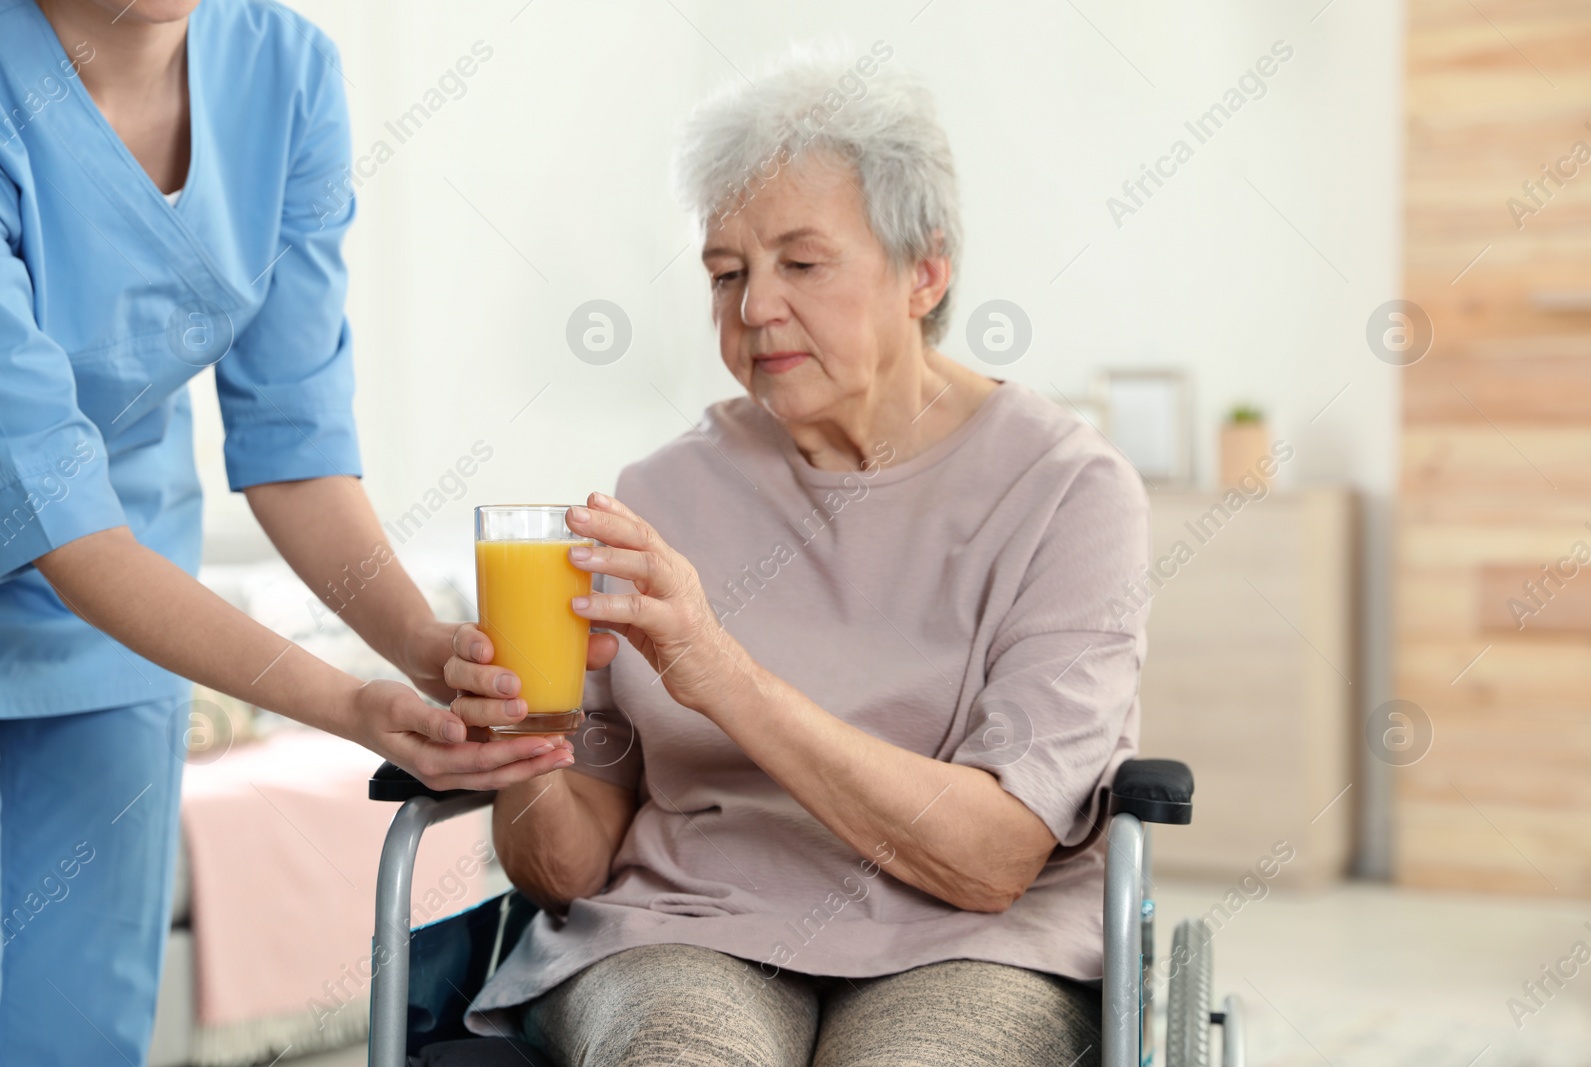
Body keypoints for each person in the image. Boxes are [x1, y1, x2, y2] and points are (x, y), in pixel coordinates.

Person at [450, 46, 1151, 1066]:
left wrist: (718, 672)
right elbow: (568, 865)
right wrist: (524, 743)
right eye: (726, 272)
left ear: (925, 270)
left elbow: (994, 857)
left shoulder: (1067, 492)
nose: (752, 308)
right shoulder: (658, 496)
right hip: (685, 925)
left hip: (977, 941)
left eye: (802, 263)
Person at [0, 1, 599, 1062]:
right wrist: (348, 705)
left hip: (117, 639)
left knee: (68, 1038)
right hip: (85, 556)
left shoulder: (284, 72)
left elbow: (294, 443)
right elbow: (54, 506)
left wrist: (425, 653)